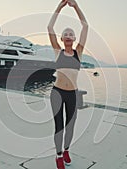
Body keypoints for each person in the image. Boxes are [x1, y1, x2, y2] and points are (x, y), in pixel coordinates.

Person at [47, 0, 88, 169]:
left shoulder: (78, 52)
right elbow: (50, 28)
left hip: (72, 93)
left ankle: (66, 150)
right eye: (66, 33)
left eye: (71, 33)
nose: (69, 35)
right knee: (59, 126)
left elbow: (85, 26)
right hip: (57, 93)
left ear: (74, 38)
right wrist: (59, 7)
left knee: (70, 125)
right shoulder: (58, 51)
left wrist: (76, 6)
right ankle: (58, 155)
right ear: (62, 38)